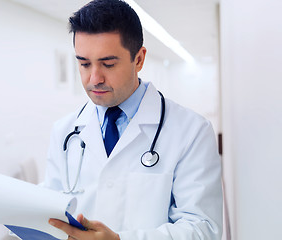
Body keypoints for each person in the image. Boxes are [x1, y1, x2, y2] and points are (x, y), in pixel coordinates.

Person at [44, 0, 222, 239]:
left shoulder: (192, 131)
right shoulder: (65, 131)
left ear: (138, 59)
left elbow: (203, 229)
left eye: (108, 64)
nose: (94, 78)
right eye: (84, 63)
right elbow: (50, 208)